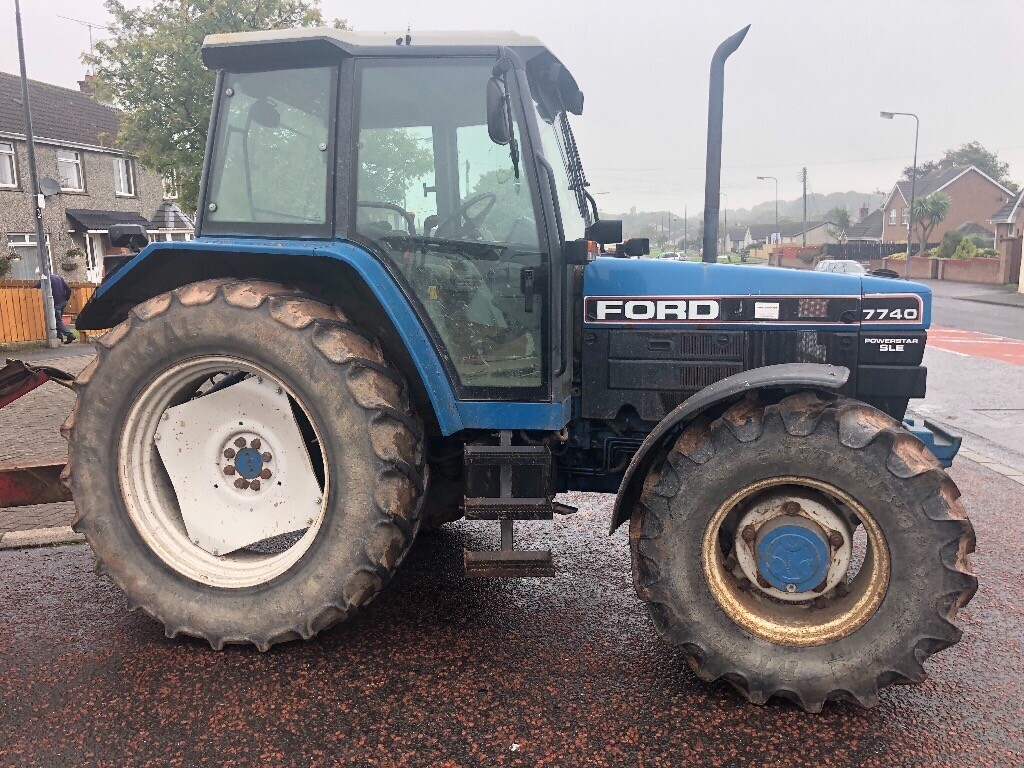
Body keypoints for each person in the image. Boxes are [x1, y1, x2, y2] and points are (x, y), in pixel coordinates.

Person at [49, 273, 75, 344]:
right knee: (58, 320)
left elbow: (37, 287)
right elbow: (68, 289)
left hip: (56, 303)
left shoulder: (46, 279)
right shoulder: (59, 278)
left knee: (57, 321)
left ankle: (69, 334)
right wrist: (66, 299)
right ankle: (60, 338)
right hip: (63, 302)